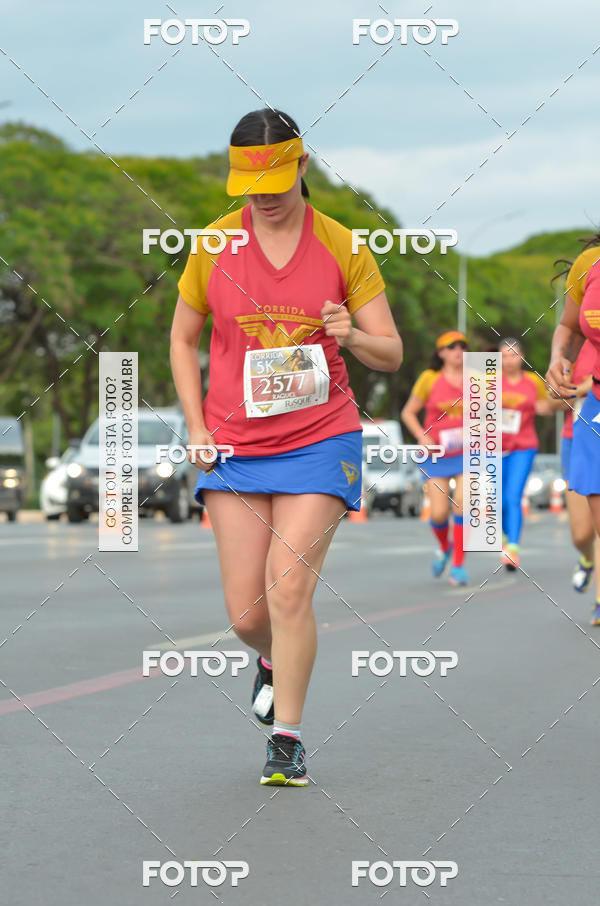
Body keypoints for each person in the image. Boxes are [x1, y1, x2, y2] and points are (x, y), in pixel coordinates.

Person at [170, 108, 403, 785]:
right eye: (250, 181)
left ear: (303, 166)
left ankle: (287, 739)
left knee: (289, 586)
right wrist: (196, 425)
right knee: (248, 613)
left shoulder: (343, 245)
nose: (264, 193)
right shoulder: (214, 245)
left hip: (319, 437)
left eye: (276, 176)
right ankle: (270, 658)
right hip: (235, 444)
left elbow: (389, 351)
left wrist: (351, 336)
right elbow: (183, 340)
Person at [547, 241, 600, 624]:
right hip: (590, 412)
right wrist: (557, 362)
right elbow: (567, 324)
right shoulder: (590, 264)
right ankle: (588, 560)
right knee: (584, 531)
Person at [401, 331, 468, 586]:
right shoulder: (429, 379)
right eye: (451, 347)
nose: (457, 351)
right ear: (440, 353)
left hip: (468, 452)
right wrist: (421, 435)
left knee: (462, 503)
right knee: (439, 513)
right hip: (437, 454)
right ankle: (444, 546)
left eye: (462, 346)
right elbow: (408, 412)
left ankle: (458, 566)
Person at [548, 339, 599, 596]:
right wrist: (576, 389)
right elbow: (552, 403)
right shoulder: (576, 348)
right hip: (577, 440)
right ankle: (588, 559)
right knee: (581, 534)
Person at [498, 338, 552, 570]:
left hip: (524, 446)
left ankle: (513, 548)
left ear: (522, 358)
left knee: (513, 496)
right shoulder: (489, 382)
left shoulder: (532, 382)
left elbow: (546, 407)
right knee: (497, 500)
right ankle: (505, 538)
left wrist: (553, 401)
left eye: (514, 355)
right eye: (504, 356)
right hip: (495, 448)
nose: (509, 360)